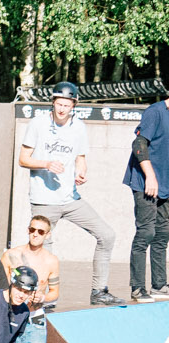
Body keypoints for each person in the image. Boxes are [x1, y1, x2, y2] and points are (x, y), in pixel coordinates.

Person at [20, 81, 120, 306]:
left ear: (74, 105)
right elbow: (23, 159)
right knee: (43, 247)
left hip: (70, 198)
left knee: (107, 235)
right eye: (59, 104)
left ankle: (99, 291)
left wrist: (81, 173)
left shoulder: (79, 127)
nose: (62, 109)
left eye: (67, 105)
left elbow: (80, 158)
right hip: (44, 200)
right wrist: (46, 164)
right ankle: (43, 299)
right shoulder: (38, 124)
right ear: (53, 103)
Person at [127, 84, 169, 301]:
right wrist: (150, 176)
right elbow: (139, 143)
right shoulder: (156, 112)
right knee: (146, 233)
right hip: (145, 181)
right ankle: (137, 287)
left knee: (163, 235)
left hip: (166, 186)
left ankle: (159, 285)